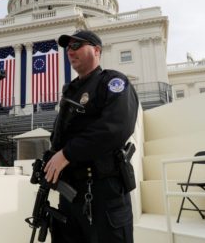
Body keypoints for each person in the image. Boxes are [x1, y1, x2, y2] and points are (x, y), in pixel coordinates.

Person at [44, 29, 139, 243]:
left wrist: (67, 154)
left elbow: (116, 127)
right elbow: (60, 136)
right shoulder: (70, 91)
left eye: (77, 45)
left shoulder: (113, 82)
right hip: (70, 194)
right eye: (68, 47)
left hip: (104, 192)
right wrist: (51, 159)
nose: (70, 51)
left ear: (96, 50)